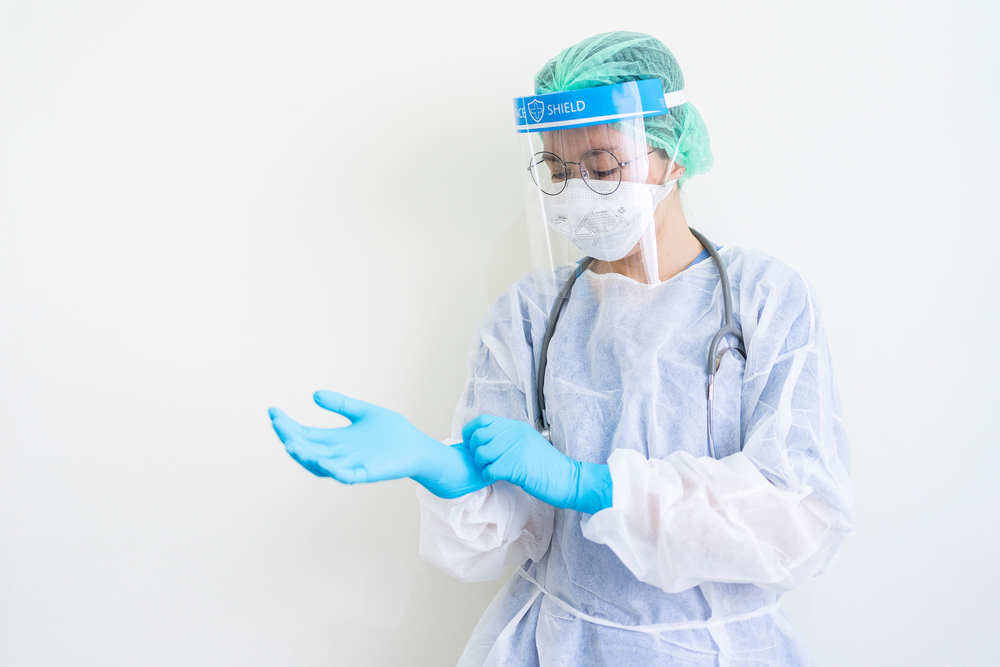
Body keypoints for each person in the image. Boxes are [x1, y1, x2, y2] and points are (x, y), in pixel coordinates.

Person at [268, 31, 853, 667]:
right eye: (557, 170)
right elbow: (497, 538)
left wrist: (594, 486)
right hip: (556, 645)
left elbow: (799, 517)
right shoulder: (529, 317)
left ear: (675, 153)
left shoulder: (765, 299)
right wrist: (450, 476)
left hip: (720, 650)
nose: (578, 191)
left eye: (603, 167)